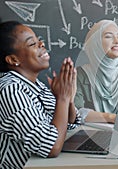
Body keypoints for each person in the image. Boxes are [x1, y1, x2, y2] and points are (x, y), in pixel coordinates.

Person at [0, 21, 81, 168]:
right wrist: (62, 98)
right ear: (13, 60)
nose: (41, 44)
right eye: (32, 44)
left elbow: (68, 126)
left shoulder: (36, 85)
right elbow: (51, 147)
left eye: (39, 40)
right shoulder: (11, 90)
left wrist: (67, 100)